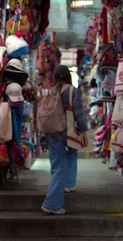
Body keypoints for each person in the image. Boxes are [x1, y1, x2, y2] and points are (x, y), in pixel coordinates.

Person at [41, 65, 89, 215]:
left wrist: (43, 138)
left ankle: (66, 185)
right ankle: (51, 203)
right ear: (67, 76)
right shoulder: (72, 90)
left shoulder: (50, 91)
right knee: (66, 162)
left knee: (57, 166)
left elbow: (44, 116)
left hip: (52, 133)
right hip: (68, 131)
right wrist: (82, 128)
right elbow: (78, 112)